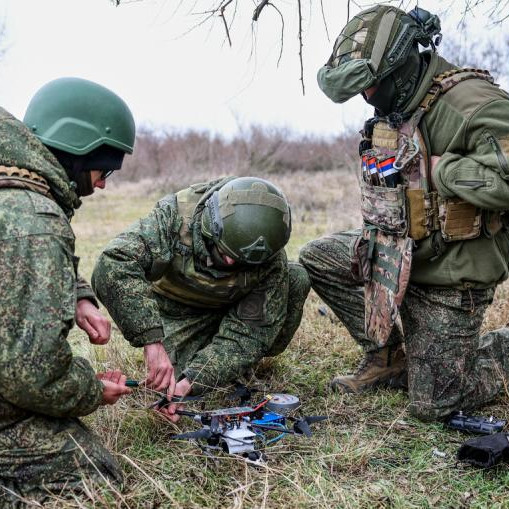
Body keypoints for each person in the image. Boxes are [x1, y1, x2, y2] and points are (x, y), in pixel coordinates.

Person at [300, 5, 509, 421]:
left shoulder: (475, 105)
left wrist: (443, 170)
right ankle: (389, 357)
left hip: (450, 276)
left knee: (434, 405)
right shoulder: (401, 106)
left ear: (401, 68)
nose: (367, 98)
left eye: (372, 87)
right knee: (316, 258)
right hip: (397, 257)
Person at [0, 77, 135, 505]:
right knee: (93, 476)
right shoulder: (35, 222)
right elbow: (30, 375)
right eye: (104, 168)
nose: (102, 184)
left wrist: (78, 294)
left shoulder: (12, 185)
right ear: (79, 150)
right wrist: (91, 389)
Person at [91, 176, 310, 420]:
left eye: (240, 261)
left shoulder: (269, 254)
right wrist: (151, 339)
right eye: (224, 252)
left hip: (232, 308)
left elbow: (251, 333)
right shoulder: (175, 216)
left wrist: (195, 380)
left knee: (296, 278)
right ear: (211, 224)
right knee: (169, 382)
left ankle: (234, 362)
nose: (229, 263)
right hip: (177, 311)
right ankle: (201, 354)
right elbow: (113, 265)